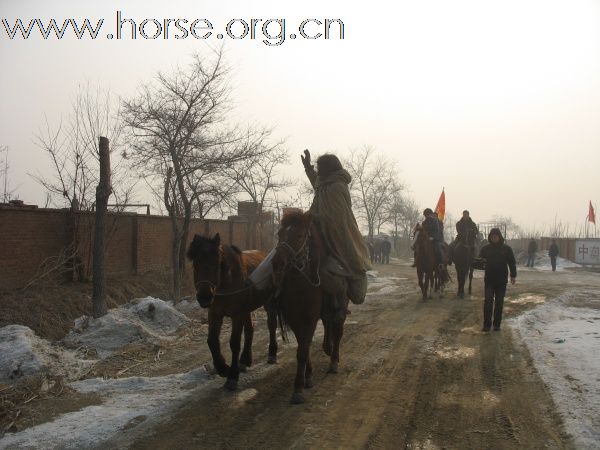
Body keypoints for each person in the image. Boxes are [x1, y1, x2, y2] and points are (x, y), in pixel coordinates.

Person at [301, 150, 372, 304]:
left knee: (350, 257)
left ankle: (354, 282)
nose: (318, 171)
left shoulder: (337, 187)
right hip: (317, 224)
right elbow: (317, 183)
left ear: (328, 169)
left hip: (337, 231)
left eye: (320, 168)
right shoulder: (325, 183)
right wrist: (308, 168)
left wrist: (313, 217)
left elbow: (335, 216)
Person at [479, 228, 517, 331]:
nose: (494, 237)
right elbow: (479, 261)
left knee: (499, 303)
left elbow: (512, 263)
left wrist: (513, 275)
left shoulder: (507, 249)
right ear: (490, 237)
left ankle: (497, 324)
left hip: (501, 280)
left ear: (499, 237)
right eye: (492, 236)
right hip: (489, 280)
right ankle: (487, 325)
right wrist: (479, 262)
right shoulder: (485, 249)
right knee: (488, 302)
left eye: (496, 236)